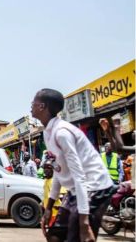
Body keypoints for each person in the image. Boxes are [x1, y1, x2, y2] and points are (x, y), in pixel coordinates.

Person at [31, 89, 114, 242]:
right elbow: (59, 170)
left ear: (42, 106)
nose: (31, 105)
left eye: (33, 103)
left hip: (96, 187)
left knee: (77, 238)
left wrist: (84, 223)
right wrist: (48, 208)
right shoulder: (47, 132)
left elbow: (79, 176)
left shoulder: (62, 133)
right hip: (76, 189)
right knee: (54, 236)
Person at [42, 159, 67, 228]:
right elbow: (46, 195)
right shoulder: (46, 180)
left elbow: (63, 195)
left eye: (49, 168)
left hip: (55, 213)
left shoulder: (55, 181)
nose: (46, 170)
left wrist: (61, 208)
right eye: (45, 168)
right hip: (49, 212)